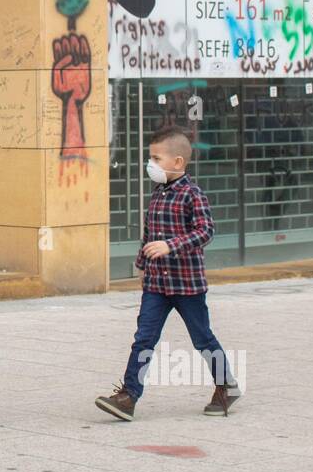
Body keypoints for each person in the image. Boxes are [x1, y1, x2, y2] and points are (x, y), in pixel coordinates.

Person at [96, 125, 241, 420]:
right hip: (157, 284)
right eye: (150, 158)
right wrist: (141, 262)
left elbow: (205, 231)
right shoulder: (158, 194)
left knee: (203, 338)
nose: (151, 165)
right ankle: (128, 396)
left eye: (156, 159)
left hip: (187, 285)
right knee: (144, 338)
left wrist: (170, 246)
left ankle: (226, 386)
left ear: (178, 162)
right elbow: (149, 235)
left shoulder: (192, 194)